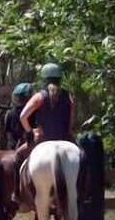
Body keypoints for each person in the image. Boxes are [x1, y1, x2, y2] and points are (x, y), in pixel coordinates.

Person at [11, 62, 75, 203]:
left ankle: (16, 193)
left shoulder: (39, 97)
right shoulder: (68, 96)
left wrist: (30, 132)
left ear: (44, 79)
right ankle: (84, 192)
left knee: (17, 156)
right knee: (83, 158)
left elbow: (23, 116)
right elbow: (71, 119)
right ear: (60, 79)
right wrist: (68, 133)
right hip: (64, 139)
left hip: (43, 139)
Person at [4, 82, 35, 150]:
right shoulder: (33, 113)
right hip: (29, 147)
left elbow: (8, 133)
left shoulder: (9, 113)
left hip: (12, 148)